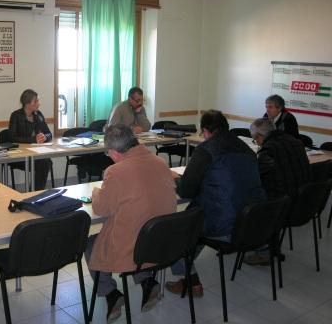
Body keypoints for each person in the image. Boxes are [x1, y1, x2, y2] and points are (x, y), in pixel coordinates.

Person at [165, 110, 266, 296]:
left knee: (173, 232)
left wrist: (175, 179)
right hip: (252, 223)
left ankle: (191, 282)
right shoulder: (248, 150)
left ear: (206, 131)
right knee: (198, 222)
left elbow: (187, 190)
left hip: (224, 226)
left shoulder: (206, 150)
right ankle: (186, 261)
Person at [85, 124, 176, 322]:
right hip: (161, 242)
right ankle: (147, 282)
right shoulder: (160, 163)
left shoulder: (115, 172)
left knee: (91, 244)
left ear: (115, 153)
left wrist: (95, 192)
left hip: (133, 246)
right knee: (138, 234)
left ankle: (111, 293)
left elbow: (101, 209)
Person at [243, 117, 310, 265]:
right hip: (303, 203)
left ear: (259, 137)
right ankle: (267, 245)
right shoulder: (296, 142)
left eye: (255, 140)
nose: (257, 143)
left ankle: (263, 250)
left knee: (247, 200)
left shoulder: (269, 150)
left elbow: (255, 177)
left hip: (283, 206)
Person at [8, 89, 52, 190]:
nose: (39, 103)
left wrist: (45, 137)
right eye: (36, 101)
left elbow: (49, 133)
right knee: (44, 163)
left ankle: (35, 192)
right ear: (27, 103)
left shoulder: (38, 114)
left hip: (35, 153)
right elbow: (12, 137)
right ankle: (35, 193)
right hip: (20, 156)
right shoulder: (16, 115)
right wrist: (33, 139)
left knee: (46, 162)